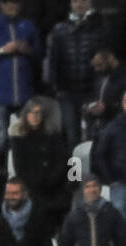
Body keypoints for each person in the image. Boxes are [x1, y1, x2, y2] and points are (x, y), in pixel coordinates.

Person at [0, 0, 42, 160]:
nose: (12, 6)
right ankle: (0, 175)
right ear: (0, 5)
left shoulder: (29, 26)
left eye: (15, 2)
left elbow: (39, 56)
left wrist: (28, 50)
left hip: (25, 93)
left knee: (28, 137)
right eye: (7, 3)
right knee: (1, 137)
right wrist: (2, 50)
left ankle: (26, 175)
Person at [48, 0, 110, 150]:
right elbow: (53, 60)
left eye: (84, 0)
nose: (80, 4)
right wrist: (55, 86)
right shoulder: (59, 29)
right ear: (70, 4)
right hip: (67, 91)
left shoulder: (101, 27)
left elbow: (107, 59)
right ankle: (74, 173)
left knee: (93, 136)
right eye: (76, 1)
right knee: (71, 137)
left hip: (92, 90)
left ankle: (92, 172)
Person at [11, 100, 71, 236]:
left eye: (38, 113)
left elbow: (64, 160)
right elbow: (20, 168)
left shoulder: (54, 135)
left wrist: (53, 179)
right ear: (26, 115)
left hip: (57, 189)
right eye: (32, 113)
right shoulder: (19, 139)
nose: (35, 116)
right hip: (34, 191)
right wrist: (39, 181)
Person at [92, 92, 126, 222]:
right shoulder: (113, 128)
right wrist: (109, 178)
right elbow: (100, 154)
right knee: (119, 214)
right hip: (119, 182)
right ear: (123, 104)